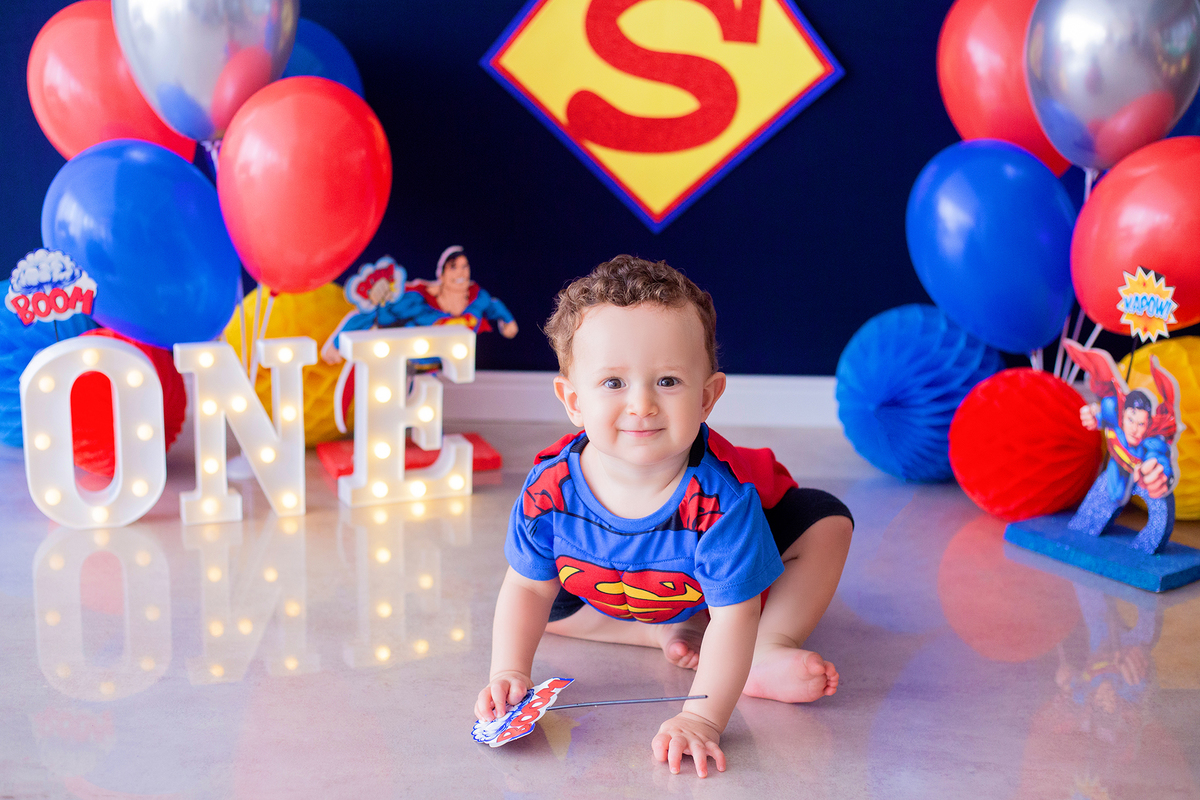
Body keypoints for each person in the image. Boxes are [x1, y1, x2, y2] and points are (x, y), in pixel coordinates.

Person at [474, 255, 853, 777]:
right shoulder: (550, 491)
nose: (642, 405)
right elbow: (525, 589)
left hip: (725, 582)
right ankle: (659, 631)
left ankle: (769, 646)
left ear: (708, 397)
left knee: (826, 519)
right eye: (612, 383)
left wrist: (701, 718)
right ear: (573, 400)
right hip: (615, 580)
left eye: (668, 381)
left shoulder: (721, 502)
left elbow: (734, 615)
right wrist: (509, 670)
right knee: (548, 609)